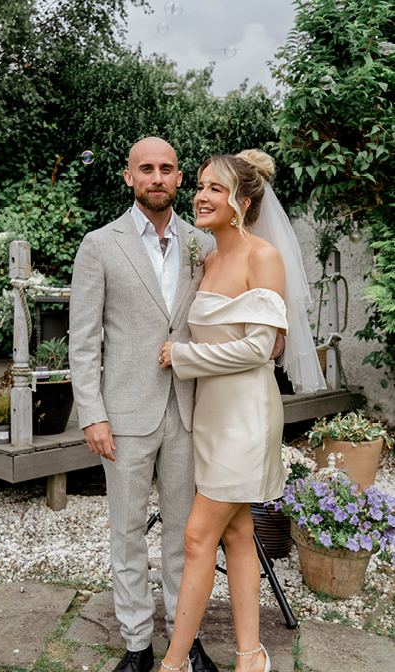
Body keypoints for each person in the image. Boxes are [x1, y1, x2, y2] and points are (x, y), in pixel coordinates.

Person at [157, 151, 325, 672]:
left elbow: (262, 347)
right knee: (235, 533)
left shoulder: (263, 257)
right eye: (200, 185)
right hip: (209, 417)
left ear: (244, 203)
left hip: (246, 417)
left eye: (215, 188)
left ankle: (172, 664)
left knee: (196, 536)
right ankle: (250, 655)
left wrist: (183, 357)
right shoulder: (208, 260)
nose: (201, 196)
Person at [70, 137, 220, 672]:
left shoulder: (205, 244)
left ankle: (186, 640)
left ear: (179, 178)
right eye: (147, 169)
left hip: (189, 412)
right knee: (127, 533)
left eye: (167, 169)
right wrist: (92, 413)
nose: (157, 177)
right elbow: (83, 340)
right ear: (129, 177)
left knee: (187, 535)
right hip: (125, 414)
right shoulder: (99, 244)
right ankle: (137, 644)